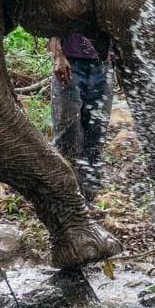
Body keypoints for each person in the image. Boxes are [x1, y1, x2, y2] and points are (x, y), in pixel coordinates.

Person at [48, 32, 114, 204]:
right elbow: (52, 20)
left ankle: (88, 203)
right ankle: (66, 200)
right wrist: (58, 55)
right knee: (67, 137)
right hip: (69, 63)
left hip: (103, 65)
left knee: (96, 136)